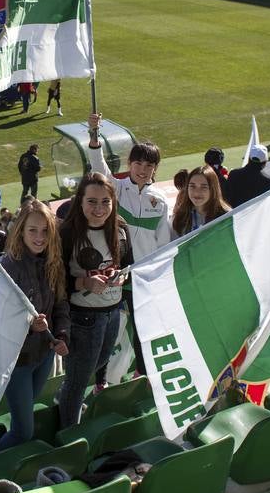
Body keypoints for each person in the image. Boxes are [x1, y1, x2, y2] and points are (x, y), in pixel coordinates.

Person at [87, 112, 170, 375]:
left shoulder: (160, 201)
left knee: (142, 328)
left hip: (142, 277)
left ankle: (141, 374)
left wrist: (158, 276)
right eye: (139, 164)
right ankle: (99, 379)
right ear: (130, 163)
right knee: (107, 328)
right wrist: (94, 134)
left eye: (149, 166)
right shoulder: (117, 188)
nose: (143, 170)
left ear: (155, 169)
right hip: (113, 272)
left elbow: (163, 243)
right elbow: (98, 167)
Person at [58, 173, 132, 427]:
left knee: (97, 363)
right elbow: (55, 281)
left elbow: (128, 265)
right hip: (83, 316)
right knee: (78, 381)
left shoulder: (120, 227)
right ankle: (68, 430)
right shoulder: (67, 233)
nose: (99, 209)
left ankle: (66, 398)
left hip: (112, 311)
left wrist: (120, 277)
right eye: (92, 201)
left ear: (113, 202)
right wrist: (84, 283)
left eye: (105, 202)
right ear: (80, 201)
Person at [0, 200, 69, 450]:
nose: (39, 237)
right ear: (20, 231)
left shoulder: (53, 262)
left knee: (27, 409)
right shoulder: (9, 266)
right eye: (32, 230)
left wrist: (61, 336)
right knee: (22, 432)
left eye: (45, 231)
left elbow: (60, 305)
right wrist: (29, 327)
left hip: (44, 355)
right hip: (18, 362)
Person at [172, 165, 230, 237]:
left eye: (203, 187)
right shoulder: (180, 216)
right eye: (192, 186)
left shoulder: (227, 217)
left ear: (213, 189)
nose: (197, 193)